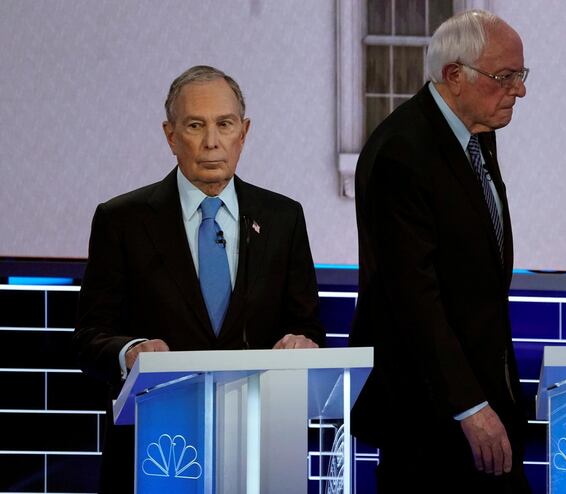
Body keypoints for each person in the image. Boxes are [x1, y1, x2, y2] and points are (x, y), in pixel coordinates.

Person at [73, 65, 324, 493]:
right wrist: (132, 352)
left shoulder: (283, 219)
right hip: (154, 456)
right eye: (195, 125)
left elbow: (306, 327)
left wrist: (302, 343)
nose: (211, 141)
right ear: (170, 136)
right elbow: (90, 337)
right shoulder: (122, 220)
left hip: (257, 453)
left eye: (224, 125)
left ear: (243, 133)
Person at [349, 9, 531, 493]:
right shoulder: (401, 153)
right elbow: (414, 300)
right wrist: (470, 406)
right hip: (430, 421)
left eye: (521, 75)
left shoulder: (477, 136)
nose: (520, 90)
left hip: (484, 405)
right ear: (454, 76)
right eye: (505, 77)